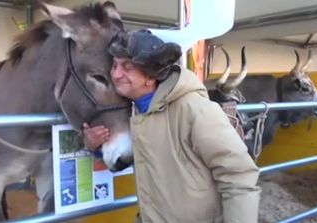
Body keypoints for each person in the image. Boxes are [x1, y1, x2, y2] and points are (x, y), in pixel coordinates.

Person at [83, 29, 261, 223]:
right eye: (115, 65)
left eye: (127, 66)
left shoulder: (196, 110)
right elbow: (131, 161)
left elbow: (239, 176)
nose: (116, 74)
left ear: (151, 76)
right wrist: (95, 147)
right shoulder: (137, 112)